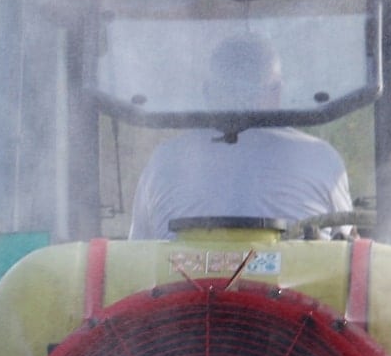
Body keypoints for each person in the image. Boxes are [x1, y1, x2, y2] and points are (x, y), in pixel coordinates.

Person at [129, 34, 352, 239]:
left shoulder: (164, 161)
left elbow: (136, 257)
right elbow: (347, 245)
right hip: (298, 282)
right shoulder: (319, 158)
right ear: (277, 92)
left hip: (183, 281)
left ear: (208, 92)